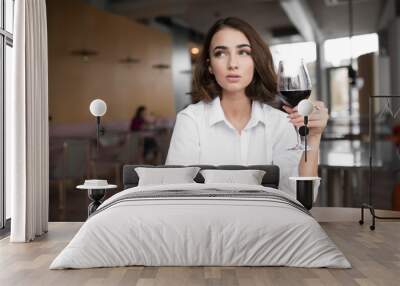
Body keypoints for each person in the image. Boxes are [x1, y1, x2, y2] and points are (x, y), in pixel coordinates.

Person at [165, 17, 329, 196]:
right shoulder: (191, 120)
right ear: (210, 66)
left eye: (243, 52)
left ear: (255, 60)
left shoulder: (281, 122)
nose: (232, 64)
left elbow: (301, 196)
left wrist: (314, 137)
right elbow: (176, 193)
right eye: (221, 53)